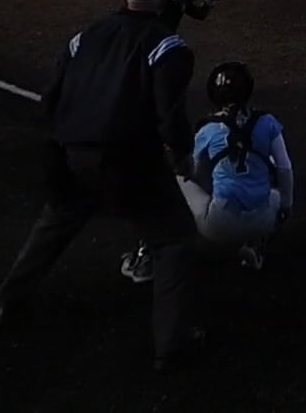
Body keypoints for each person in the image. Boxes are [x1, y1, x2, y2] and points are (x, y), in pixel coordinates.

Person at [0, 0, 203, 372]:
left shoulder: (84, 36)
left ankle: (7, 302)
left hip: (69, 153)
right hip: (130, 159)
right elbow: (169, 114)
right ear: (165, 1)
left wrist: (60, 147)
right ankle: (171, 343)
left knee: (55, 223)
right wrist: (182, 153)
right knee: (173, 239)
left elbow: (50, 98)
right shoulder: (167, 46)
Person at [125, 61, 294, 279]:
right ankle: (257, 244)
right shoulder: (268, 122)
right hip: (264, 221)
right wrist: (286, 207)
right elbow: (285, 168)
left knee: (173, 181)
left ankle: (146, 257)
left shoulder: (209, 129)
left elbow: (192, 172)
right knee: (273, 177)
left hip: (218, 225)